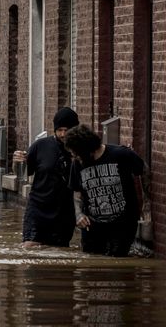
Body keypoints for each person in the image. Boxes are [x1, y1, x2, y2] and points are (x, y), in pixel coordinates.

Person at [65, 124, 148, 257]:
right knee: (91, 266)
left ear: (87, 149)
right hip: (92, 225)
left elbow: (143, 172)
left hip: (123, 224)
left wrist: (146, 208)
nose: (75, 157)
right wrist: (78, 214)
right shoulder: (77, 163)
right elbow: (76, 192)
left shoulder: (121, 155)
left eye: (77, 153)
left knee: (117, 265)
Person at [12, 107, 79, 247]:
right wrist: (17, 162)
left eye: (67, 130)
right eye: (59, 130)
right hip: (38, 208)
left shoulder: (79, 151)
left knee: (58, 252)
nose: (63, 134)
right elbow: (22, 174)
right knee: (30, 246)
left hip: (64, 211)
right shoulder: (40, 146)